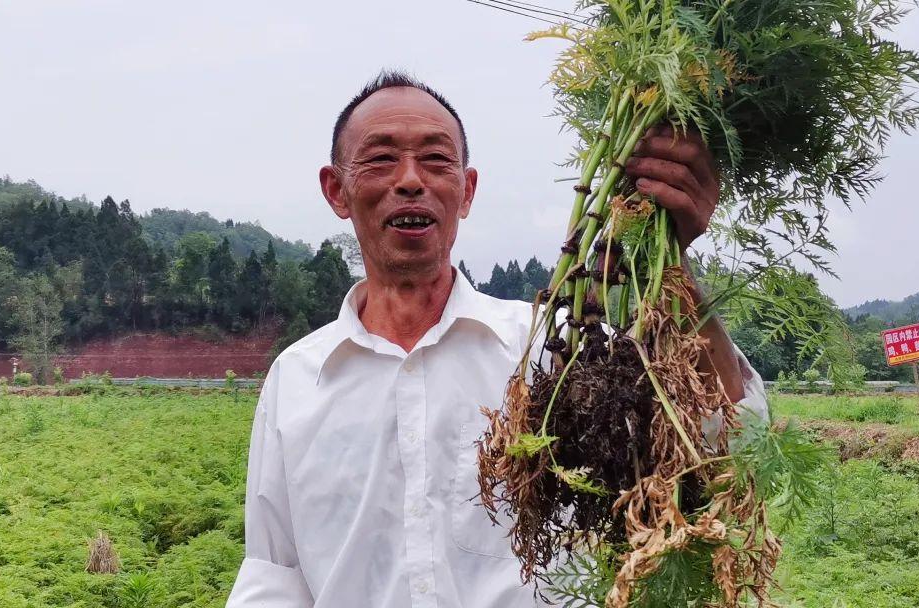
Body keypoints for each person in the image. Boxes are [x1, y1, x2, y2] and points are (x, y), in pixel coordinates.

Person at [226, 70, 767, 607]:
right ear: (336, 190)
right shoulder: (296, 378)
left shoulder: (553, 349)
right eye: (381, 159)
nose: (411, 180)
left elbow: (725, 450)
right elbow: (276, 576)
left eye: (437, 160)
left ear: (467, 191)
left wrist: (671, 256)